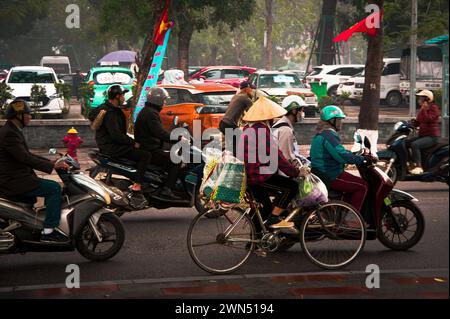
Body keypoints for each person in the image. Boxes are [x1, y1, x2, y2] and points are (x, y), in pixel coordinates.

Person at [0, 100, 70, 242]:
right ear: (18, 115)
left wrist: (51, 162)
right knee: (54, 188)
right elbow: (25, 158)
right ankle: (49, 231)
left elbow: (28, 155)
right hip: (13, 180)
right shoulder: (9, 134)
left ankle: (30, 226)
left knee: (38, 194)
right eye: (28, 114)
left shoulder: (11, 130)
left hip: (15, 177)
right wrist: (52, 166)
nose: (30, 117)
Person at [238, 97, 304, 229]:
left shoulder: (250, 129)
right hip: (258, 175)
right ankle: (274, 219)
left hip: (251, 174)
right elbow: (277, 156)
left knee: (264, 208)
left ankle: (255, 243)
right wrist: (294, 172)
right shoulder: (261, 131)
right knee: (291, 187)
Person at [310, 105, 368, 214]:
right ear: (332, 120)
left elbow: (339, 152)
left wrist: (353, 155)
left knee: (352, 186)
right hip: (330, 174)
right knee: (363, 186)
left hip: (322, 173)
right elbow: (341, 156)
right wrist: (361, 159)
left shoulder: (321, 134)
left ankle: (342, 214)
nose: (341, 122)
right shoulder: (329, 135)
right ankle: (352, 220)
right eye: (339, 119)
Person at [95, 85, 151, 195]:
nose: (124, 98)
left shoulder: (107, 109)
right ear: (117, 96)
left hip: (107, 144)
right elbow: (116, 135)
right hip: (112, 147)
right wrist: (133, 143)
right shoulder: (111, 113)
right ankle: (137, 185)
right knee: (146, 155)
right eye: (123, 95)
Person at [134, 87, 183, 200]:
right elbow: (160, 133)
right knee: (176, 159)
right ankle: (167, 189)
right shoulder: (151, 113)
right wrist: (178, 138)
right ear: (158, 100)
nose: (165, 102)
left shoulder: (148, 111)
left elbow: (160, 131)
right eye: (164, 100)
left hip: (148, 147)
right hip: (150, 149)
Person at [407, 90, 441, 175]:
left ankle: (419, 167)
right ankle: (410, 163)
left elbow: (428, 119)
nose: (419, 99)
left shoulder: (433, 107)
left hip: (432, 137)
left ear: (427, 99)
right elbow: (419, 121)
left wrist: (425, 110)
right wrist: (412, 123)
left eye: (421, 97)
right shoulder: (423, 108)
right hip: (423, 135)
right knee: (406, 142)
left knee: (415, 144)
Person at [272, 95, 309, 171]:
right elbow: (286, 158)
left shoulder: (282, 124)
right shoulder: (285, 130)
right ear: (294, 111)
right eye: (301, 110)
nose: (302, 113)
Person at [219, 81, 256, 154]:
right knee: (239, 143)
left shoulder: (236, 96)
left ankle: (229, 157)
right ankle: (234, 161)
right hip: (229, 125)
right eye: (251, 89)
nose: (252, 91)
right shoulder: (245, 98)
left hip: (223, 123)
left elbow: (243, 113)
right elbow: (254, 111)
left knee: (234, 144)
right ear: (246, 89)